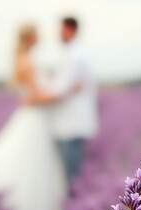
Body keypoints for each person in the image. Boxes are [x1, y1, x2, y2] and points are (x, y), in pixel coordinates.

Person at [0, 24, 78, 210]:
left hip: (39, 120)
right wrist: (67, 92)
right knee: (32, 166)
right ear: (29, 38)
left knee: (37, 166)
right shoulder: (26, 62)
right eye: (37, 33)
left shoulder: (28, 60)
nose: (40, 36)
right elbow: (36, 97)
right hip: (34, 119)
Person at [50, 17, 98, 193]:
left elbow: (61, 88)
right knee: (70, 172)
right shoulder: (74, 53)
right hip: (69, 122)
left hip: (72, 123)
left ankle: (73, 207)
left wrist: (38, 96)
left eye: (61, 29)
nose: (58, 34)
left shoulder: (76, 55)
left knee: (71, 174)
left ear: (71, 30)